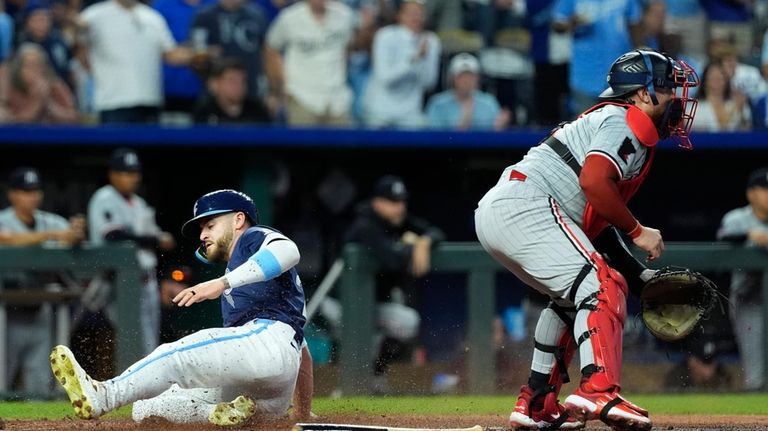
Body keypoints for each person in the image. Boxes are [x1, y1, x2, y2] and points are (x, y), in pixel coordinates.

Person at [474, 48, 699, 430]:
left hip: (508, 207)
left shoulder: (614, 121)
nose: (678, 100)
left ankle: (537, 403)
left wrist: (641, 276)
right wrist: (638, 231)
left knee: (572, 298)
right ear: (642, 94)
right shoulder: (625, 120)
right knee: (603, 286)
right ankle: (599, 390)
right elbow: (594, 181)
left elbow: (595, 224)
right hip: (526, 204)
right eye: (668, 88)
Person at [52, 189, 313, 425]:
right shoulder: (248, 272)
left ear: (238, 220)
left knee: (175, 356)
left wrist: (221, 283)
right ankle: (216, 414)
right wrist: (302, 413)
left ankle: (104, 396)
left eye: (210, 225)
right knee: (145, 407)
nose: (203, 235)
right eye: (202, 229)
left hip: (267, 343)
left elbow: (289, 250)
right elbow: (303, 355)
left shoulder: (252, 238)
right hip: (271, 388)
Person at [339, 174, 445, 393]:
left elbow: (436, 232)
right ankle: (346, 386)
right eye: (393, 202)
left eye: (402, 201)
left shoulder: (398, 220)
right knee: (386, 329)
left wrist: (423, 242)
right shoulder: (365, 224)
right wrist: (409, 245)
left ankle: (373, 379)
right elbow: (392, 260)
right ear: (378, 202)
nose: (400, 207)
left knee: (402, 324)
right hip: (342, 303)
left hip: (374, 304)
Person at [0, 167, 85, 398]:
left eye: (35, 190)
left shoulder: (50, 221)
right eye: (26, 191)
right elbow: (6, 239)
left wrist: (75, 233)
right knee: (1, 375)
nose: (32, 196)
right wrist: (49, 236)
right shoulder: (3, 220)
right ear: (13, 195)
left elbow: (70, 237)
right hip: (6, 311)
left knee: (38, 380)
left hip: (40, 307)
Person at [87, 148, 176, 355]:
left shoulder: (139, 203)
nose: (133, 178)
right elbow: (112, 234)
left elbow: (153, 240)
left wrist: (158, 239)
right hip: (118, 282)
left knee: (149, 343)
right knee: (135, 343)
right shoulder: (104, 197)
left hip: (147, 279)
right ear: (113, 174)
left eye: (135, 172)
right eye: (127, 172)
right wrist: (153, 239)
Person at [76, 0, 195, 124]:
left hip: (150, 101)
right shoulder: (93, 15)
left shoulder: (153, 17)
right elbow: (81, 54)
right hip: (113, 103)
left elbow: (170, 53)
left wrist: (198, 55)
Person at [716, 167, 768, 392]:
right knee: (755, 369)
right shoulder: (738, 219)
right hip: (749, 297)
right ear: (751, 194)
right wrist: (750, 235)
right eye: (765, 189)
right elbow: (722, 238)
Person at [263, 0, 356, 126]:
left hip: (337, 98)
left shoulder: (345, 15)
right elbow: (271, 48)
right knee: (302, 144)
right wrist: (279, 85)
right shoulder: (290, 18)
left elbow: (349, 48)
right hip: (302, 95)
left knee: (345, 143)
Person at [362, 0, 441, 128]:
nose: (416, 17)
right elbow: (386, 78)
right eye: (412, 13)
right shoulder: (385, 36)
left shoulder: (431, 41)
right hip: (380, 109)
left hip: (410, 112)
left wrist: (423, 60)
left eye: (420, 13)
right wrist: (414, 60)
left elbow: (428, 83)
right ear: (400, 16)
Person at [425, 52, 509, 130]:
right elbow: (434, 136)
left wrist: (500, 126)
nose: (467, 80)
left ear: (477, 78)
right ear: (453, 78)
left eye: (470, 76)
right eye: (462, 76)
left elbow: (495, 135)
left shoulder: (489, 102)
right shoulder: (438, 104)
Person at [193, 57, 272, 125]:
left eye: (242, 81)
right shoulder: (205, 112)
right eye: (232, 81)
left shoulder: (257, 111)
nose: (239, 86)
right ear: (215, 84)